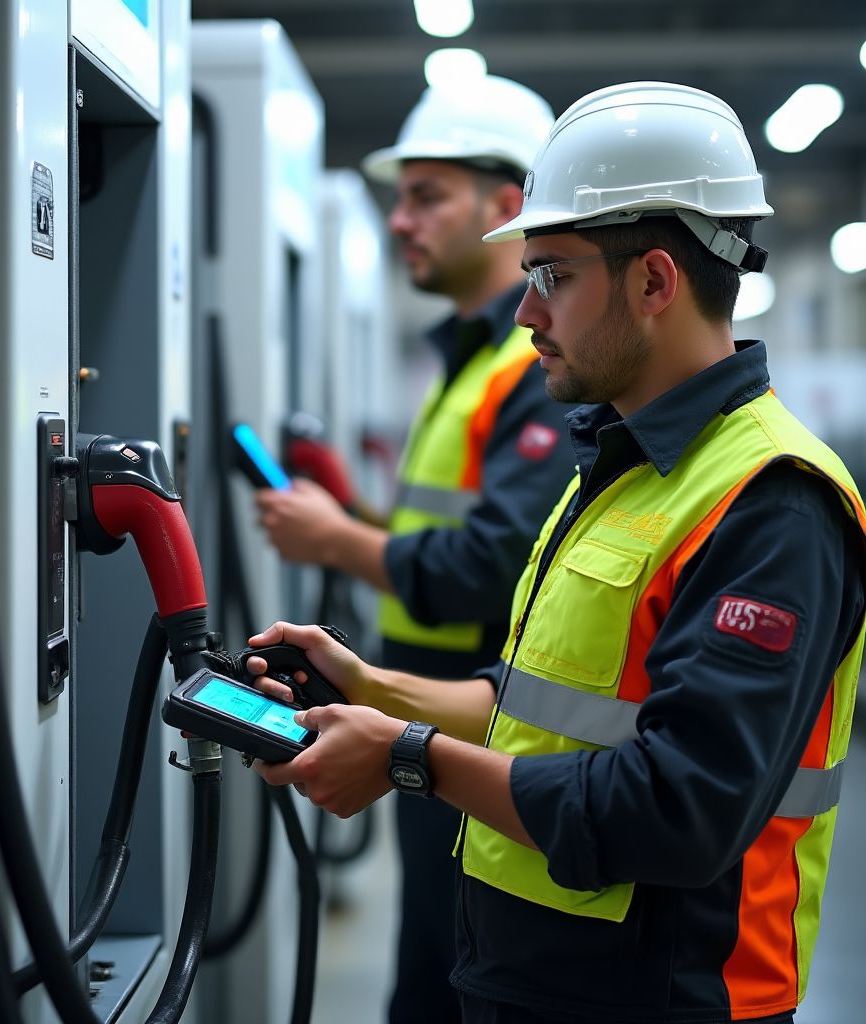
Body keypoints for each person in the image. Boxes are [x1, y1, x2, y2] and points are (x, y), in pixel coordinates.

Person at [250, 81, 866, 1024]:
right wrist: (368, 687)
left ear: (656, 282)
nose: (528, 314)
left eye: (554, 277)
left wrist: (410, 758)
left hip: (659, 996)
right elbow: (527, 704)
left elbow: (678, 808)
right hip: (537, 979)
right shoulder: (622, 464)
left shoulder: (773, 502)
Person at [254, 76, 577, 1023]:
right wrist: (354, 511)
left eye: (426, 195)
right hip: (427, 696)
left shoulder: (533, 370)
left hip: (481, 708)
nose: (401, 221)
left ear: (507, 207)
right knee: (431, 959)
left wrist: (339, 539)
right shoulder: (477, 361)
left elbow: (489, 563)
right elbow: (448, 529)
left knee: (452, 976)